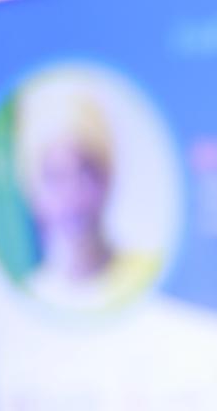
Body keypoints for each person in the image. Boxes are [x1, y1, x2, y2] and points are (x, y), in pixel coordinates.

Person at [14, 72, 160, 310]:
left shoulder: (148, 275)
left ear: (107, 177)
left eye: (85, 172)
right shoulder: (31, 296)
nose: (72, 194)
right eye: (55, 177)